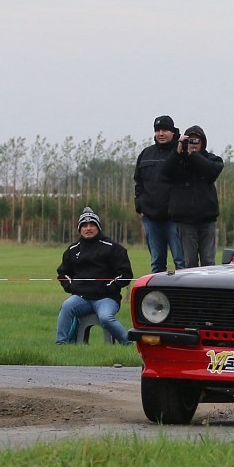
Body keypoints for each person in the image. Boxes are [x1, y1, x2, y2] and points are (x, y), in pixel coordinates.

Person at [55, 207, 134, 345]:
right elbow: (63, 273)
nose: (88, 228)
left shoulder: (113, 248)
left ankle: (128, 343)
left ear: (98, 227)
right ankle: (61, 343)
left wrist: (110, 286)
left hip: (107, 298)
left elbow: (125, 274)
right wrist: (72, 286)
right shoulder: (72, 250)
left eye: (92, 225)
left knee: (106, 318)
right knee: (66, 307)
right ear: (80, 229)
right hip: (81, 298)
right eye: (84, 225)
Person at [164, 124, 224, 267]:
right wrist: (178, 152)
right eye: (190, 140)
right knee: (189, 261)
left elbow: (212, 172)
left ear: (203, 142)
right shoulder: (178, 160)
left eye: (197, 140)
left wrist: (194, 155)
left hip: (207, 219)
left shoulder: (212, 159)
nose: (193, 144)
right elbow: (165, 172)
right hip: (185, 220)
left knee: (208, 261)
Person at [134, 114, 183, 273]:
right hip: (151, 218)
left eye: (165, 130)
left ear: (173, 132)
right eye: (157, 130)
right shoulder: (146, 154)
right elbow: (138, 182)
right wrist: (140, 204)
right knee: (156, 263)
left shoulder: (180, 153)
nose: (161, 134)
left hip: (175, 218)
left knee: (181, 262)